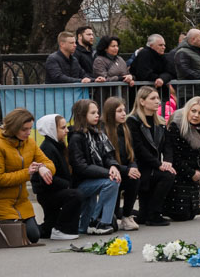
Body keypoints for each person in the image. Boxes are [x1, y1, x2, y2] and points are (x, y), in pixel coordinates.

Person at [0, 108, 53, 245]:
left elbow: (49, 164)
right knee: (16, 236)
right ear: (13, 128)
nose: (29, 132)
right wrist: (27, 173)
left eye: (30, 128)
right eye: (24, 129)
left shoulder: (30, 142)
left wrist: (42, 167)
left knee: (34, 236)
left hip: (21, 203)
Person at [67, 99, 122, 236]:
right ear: (81, 115)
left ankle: (97, 220)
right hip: (81, 183)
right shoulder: (76, 137)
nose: (97, 115)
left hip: (94, 179)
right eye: (92, 113)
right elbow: (81, 167)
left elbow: (107, 156)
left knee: (82, 229)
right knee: (111, 182)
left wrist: (113, 167)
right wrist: (107, 173)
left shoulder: (97, 133)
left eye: (97, 112)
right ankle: (100, 221)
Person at [126, 86, 178, 226]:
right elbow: (138, 148)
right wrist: (159, 164)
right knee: (167, 176)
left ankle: (148, 213)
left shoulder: (160, 122)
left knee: (169, 172)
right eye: (153, 98)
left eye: (158, 98)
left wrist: (167, 161)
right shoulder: (132, 121)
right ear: (142, 101)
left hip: (153, 165)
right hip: (140, 166)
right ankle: (154, 214)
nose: (157, 101)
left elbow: (168, 145)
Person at [32, 114, 84, 240]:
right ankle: (61, 229)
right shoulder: (47, 148)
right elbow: (47, 179)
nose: (67, 130)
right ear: (52, 129)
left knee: (47, 229)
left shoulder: (58, 145)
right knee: (75, 195)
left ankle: (52, 228)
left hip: (55, 190)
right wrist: (67, 185)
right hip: (48, 193)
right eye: (63, 128)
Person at [161, 96, 200, 221]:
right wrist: (191, 173)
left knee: (191, 214)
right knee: (181, 214)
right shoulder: (176, 127)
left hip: (194, 174)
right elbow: (175, 156)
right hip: (179, 173)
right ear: (187, 110)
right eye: (193, 111)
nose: (196, 115)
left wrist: (199, 171)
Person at [102, 96, 142, 230]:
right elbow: (106, 159)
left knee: (135, 178)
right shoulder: (103, 132)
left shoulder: (125, 129)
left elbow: (132, 155)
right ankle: (112, 214)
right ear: (110, 113)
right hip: (111, 172)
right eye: (119, 111)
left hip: (124, 170)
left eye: (124, 110)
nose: (124, 114)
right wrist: (126, 170)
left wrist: (133, 167)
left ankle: (127, 215)